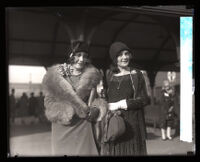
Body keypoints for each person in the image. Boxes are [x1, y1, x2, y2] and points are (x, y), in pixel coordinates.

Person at [42, 41, 107, 156]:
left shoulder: (91, 76)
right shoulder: (56, 76)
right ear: (71, 55)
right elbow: (48, 102)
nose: (81, 59)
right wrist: (66, 111)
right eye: (78, 55)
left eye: (85, 56)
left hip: (83, 126)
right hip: (62, 126)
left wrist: (96, 108)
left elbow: (96, 99)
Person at [101, 42, 149, 156]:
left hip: (133, 127)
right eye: (120, 55)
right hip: (115, 127)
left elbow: (144, 99)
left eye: (126, 53)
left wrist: (122, 104)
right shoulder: (109, 76)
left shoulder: (136, 74)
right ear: (114, 58)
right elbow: (106, 99)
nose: (124, 57)